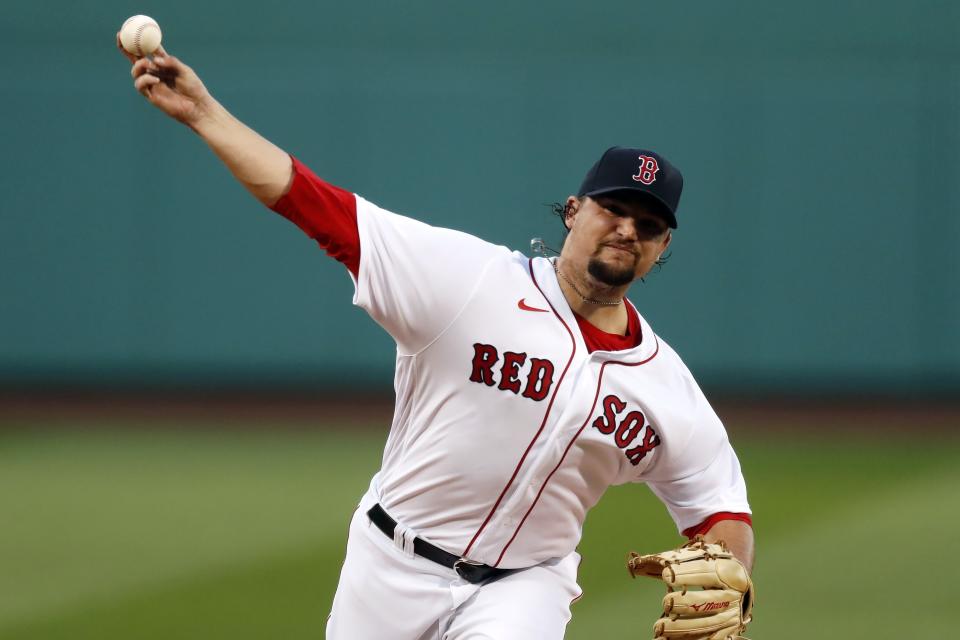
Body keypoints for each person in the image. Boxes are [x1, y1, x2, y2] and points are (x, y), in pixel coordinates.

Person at [119, 42, 754, 640]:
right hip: (389, 563)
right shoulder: (468, 280)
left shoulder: (664, 385)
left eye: (647, 224)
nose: (625, 229)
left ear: (662, 247)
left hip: (525, 589)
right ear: (572, 210)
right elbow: (315, 206)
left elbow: (719, 505)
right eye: (611, 209)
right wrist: (205, 114)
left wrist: (728, 571)